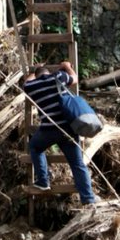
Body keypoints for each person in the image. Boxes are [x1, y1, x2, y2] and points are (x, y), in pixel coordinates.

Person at [22, 61, 98, 204]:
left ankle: (43, 181)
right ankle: (88, 199)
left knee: (35, 147)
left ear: (37, 76)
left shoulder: (32, 86)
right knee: (77, 163)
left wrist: (35, 69)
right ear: (48, 73)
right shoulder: (58, 77)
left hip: (48, 130)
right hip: (68, 129)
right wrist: (66, 66)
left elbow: (27, 81)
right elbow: (75, 79)